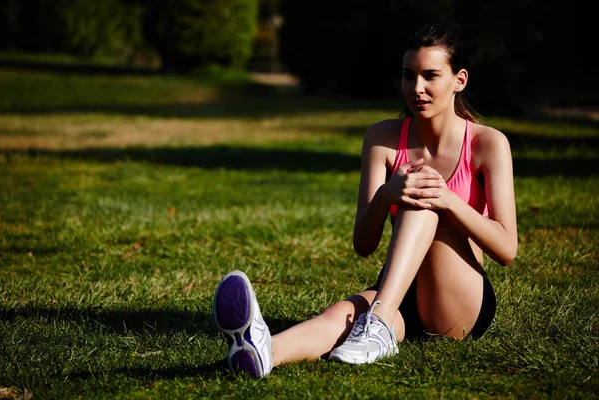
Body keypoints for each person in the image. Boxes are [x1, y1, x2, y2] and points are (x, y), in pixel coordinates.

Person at [211, 23, 518, 378]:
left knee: (420, 197)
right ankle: (264, 350)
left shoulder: (488, 144)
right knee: (338, 317)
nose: (416, 88)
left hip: (460, 299)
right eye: (408, 76)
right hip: (398, 290)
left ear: (459, 80)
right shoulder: (382, 137)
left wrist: (447, 200)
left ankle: (379, 323)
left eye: (431, 76)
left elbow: (506, 248)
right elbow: (364, 243)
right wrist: (388, 193)